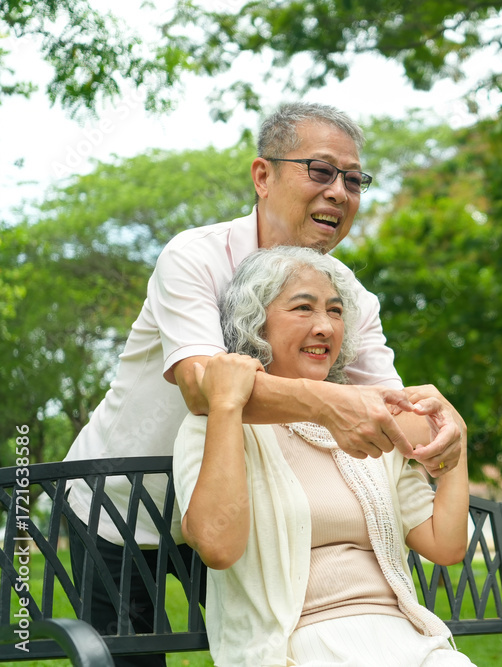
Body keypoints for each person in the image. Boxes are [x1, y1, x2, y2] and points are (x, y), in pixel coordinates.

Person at [63, 102, 465, 665]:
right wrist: (330, 403)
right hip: (123, 507)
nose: (339, 192)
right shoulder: (195, 257)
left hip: (244, 510)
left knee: (266, 641)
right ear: (262, 176)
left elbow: (396, 413)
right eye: (320, 171)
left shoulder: (351, 296)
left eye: (354, 180)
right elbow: (203, 389)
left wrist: (443, 427)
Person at [173, 245, 474, 666]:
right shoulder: (219, 426)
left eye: (335, 311)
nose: (325, 327)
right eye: (303, 308)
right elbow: (217, 548)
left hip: (406, 641)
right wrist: (226, 404)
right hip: (297, 647)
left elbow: (446, 546)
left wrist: (455, 439)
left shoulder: (367, 425)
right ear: (255, 321)